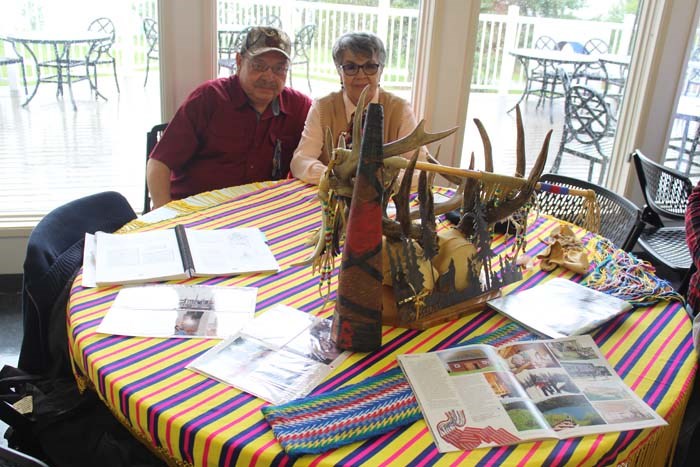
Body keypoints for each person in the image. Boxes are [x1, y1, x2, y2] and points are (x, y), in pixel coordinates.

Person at [147, 26, 312, 208]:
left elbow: (321, 161)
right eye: (258, 65)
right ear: (239, 61)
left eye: (279, 68)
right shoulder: (208, 98)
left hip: (257, 214)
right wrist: (165, 219)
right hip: (194, 212)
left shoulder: (299, 107)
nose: (269, 76)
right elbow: (159, 164)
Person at [290, 31, 427, 185]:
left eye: (370, 66)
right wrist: (337, 178)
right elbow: (301, 161)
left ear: (381, 70)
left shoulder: (400, 109)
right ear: (339, 71)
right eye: (350, 67)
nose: (361, 75)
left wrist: (374, 182)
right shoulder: (322, 108)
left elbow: (421, 168)